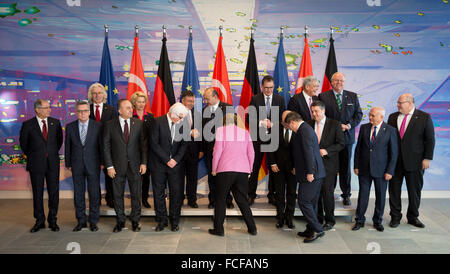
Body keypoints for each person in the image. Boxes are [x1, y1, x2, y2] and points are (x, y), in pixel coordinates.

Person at [388, 93, 435, 228]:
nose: (397, 105)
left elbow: (430, 139)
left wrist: (427, 158)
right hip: (395, 162)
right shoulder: (392, 117)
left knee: (414, 191)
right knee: (394, 190)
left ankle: (413, 217)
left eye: (400, 102)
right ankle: (395, 217)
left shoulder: (424, 117)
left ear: (410, 103)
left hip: (416, 162)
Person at [208, 113, 257, 236]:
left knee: (220, 199)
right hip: (242, 171)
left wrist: (214, 168)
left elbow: (217, 151)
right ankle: (252, 228)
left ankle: (219, 229)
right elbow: (251, 153)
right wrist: (250, 169)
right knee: (242, 200)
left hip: (225, 170)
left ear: (224, 122)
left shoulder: (220, 131)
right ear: (236, 122)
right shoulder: (245, 132)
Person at [318, 72, 363, 206]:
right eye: (336, 81)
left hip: (347, 138)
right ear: (331, 82)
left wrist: (348, 125)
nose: (339, 83)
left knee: (344, 167)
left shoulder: (352, 96)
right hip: (330, 140)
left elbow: (358, 114)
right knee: (330, 168)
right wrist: (335, 128)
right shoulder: (323, 96)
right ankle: (328, 193)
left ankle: (346, 194)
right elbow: (321, 115)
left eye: (341, 81)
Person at [103, 99, 148, 232]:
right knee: (117, 195)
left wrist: (144, 162)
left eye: (131, 107)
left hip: (135, 166)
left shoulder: (138, 124)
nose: (131, 110)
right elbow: (105, 147)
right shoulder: (110, 125)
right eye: (128, 108)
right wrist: (109, 166)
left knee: (135, 195)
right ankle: (120, 221)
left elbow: (143, 146)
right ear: (120, 110)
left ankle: (135, 221)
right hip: (116, 167)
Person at [19, 99, 63, 233]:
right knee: (37, 193)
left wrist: (50, 153)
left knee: (54, 193)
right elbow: (24, 145)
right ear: (37, 109)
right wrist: (36, 155)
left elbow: (59, 142)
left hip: (53, 164)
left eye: (49, 107)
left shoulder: (55, 123)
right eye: (46, 107)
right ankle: (39, 221)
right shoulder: (28, 125)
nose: (49, 109)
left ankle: (53, 220)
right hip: (36, 164)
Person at [353, 107, 398, 232]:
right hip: (364, 169)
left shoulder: (390, 130)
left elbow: (393, 153)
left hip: (382, 171)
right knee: (363, 196)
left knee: (380, 196)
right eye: (370, 115)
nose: (370, 117)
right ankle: (359, 220)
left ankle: (377, 221)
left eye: (373, 115)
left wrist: (390, 171)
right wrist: (356, 165)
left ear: (381, 117)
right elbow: (358, 149)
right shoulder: (364, 128)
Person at [285, 111, 326, 243]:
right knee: (311, 202)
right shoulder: (303, 130)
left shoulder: (304, 131)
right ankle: (310, 229)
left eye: (288, 126)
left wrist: (310, 172)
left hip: (312, 174)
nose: (289, 128)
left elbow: (309, 153)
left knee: (304, 201)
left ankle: (317, 229)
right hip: (310, 172)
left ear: (292, 122)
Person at [150, 103, 190, 232]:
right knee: (159, 194)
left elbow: (185, 144)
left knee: (176, 194)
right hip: (159, 165)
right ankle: (161, 220)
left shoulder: (183, 123)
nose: (181, 120)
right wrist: (167, 159)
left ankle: (174, 221)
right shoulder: (157, 122)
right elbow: (154, 143)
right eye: (179, 117)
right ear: (172, 114)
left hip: (176, 166)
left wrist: (175, 160)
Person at [247, 75, 286, 206]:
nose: (269, 91)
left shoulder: (280, 99)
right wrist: (261, 123)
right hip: (258, 139)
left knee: (273, 167)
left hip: (274, 139)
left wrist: (273, 124)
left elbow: (284, 120)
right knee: (254, 167)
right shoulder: (255, 99)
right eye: (266, 88)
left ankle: (272, 195)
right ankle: (250, 194)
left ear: (273, 87)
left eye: (271, 88)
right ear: (262, 87)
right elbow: (248, 119)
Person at [307, 100, 345, 230]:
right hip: (312, 166)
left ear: (323, 111)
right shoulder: (309, 123)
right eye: (312, 111)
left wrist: (327, 151)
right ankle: (317, 218)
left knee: (327, 194)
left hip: (328, 165)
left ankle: (330, 220)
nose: (314, 114)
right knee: (315, 194)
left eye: (316, 111)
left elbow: (341, 143)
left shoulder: (334, 124)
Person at [65, 100, 102, 232]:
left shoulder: (97, 126)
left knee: (94, 194)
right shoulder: (70, 127)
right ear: (76, 112)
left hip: (93, 164)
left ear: (89, 112)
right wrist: (68, 163)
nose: (82, 113)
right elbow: (68, 147)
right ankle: (81, 221)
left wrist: (102, 162)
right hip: (76, 165)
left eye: (85, 111)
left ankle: (93, 221)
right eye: (80, 111)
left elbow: (101, 146)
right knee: (79, 194)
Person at [202, 87, 234, 209]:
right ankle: (213, 200)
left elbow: (234, 127)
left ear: (215, 97)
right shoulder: (205, 110)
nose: (205, 101)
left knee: (226, 176)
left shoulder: (228, 108)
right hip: (210, 150)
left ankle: (228, 199)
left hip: (226, 150)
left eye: (207, 98)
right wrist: (201, 149)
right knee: (212, 176)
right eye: (205, 99)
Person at [88, 83, 118, 208]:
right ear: (91, 95)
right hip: (91, 149)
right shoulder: (87, 109)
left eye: (99, 93)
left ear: (103, 95)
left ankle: (111, 200)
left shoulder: (110, 110)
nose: (97, 95)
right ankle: (96, 201)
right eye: (94, 93)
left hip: (107, 149)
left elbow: (114, 130)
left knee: (110, 177)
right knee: (93, 178)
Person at [267, 110, 296, 229]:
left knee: (291, 193)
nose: (285, 123)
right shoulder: (275, 128)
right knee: (279, 193)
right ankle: (280, 218)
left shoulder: (297, 129)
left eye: (287, 121)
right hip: (277, 167)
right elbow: (270, 147)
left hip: (293, 168)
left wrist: (296, 166)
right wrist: (272, 163)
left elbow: (299, 150)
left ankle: (289, 218)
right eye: (283, 121)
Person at [130, 91, 155, 209]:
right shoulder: (130, 116)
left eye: (143, 102)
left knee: (145, 178)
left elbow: (153, 135)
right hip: (133, 152)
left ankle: (144, 199)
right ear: (134, 103)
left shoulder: (150, 117)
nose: (141, 104)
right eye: (138, 102)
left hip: (148, 152)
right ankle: (135, 200)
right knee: (134, 177)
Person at [181, 90, 202, 208]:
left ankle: (192, 199)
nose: (191, 103)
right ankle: (179, 199)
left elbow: (201, 134)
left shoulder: (197, 114)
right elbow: (174, 130)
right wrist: (189, 132)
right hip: (178, 152)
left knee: (192, 177)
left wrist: (201, 150)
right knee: (178, 178)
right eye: (189, 101)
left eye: (193, 101)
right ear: (183, 100)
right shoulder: (175, 113)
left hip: (193, 151)